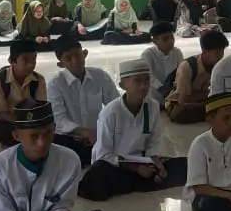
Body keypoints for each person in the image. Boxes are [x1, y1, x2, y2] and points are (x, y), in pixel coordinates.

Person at [78, 59, 188, 201]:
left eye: (147, 80)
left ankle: (142, 181)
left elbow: (153, 142)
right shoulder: (111, 112)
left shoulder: (152, 106)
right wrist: (134, 168)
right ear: (123, 85)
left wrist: (154, 163)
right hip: (116, 166)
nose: (144, 86)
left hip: (143, 162)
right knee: (98, 177)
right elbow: (102, 155)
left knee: (186, 165)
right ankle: (142, 182)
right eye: (137, 81)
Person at [46, 36, 115, 166]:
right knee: (54, 144)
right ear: (61, 64)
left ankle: (97, 155)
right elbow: (59, 120)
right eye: (68, 58)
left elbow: (115, 106)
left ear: (85, 54)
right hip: (70, 138)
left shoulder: (100, 76)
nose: (75, 61)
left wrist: (103, 132)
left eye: (78, 55)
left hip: (98, 135)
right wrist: (85, 132)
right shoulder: (55, 84)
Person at [0, 40, 47, 143]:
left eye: (34, 59)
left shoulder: (39, 80)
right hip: (7, 122)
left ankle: (23, 138)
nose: (31, 64)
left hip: (31, 121)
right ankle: (25, 138)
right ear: (12, 61)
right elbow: (1, 113)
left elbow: (40, 108)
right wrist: (24, 125)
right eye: (25, 60)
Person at [166, 29, 229, 125]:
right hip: (180, 103)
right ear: (204, 51)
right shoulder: (188, 67)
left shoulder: (220, 66)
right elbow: (183, 100)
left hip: (204, 100)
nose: (220, 56)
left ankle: (211, 112)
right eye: (217, 52)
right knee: (180, 113)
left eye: (222, 52)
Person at [141, 21, 184, 100]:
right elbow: (148, 76)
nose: (171, 41)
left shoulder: (177, 52)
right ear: (155, 41)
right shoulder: (148, 54)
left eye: (172, 37)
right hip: (154, 96)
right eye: (165, 39)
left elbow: (182, 72)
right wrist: (161, 88)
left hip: (173, 92)